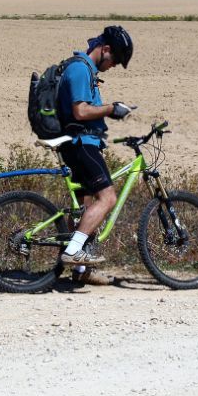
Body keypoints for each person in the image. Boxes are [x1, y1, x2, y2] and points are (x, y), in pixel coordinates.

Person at [55, 25, 135, 285]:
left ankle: (81, 272)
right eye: (115, 60)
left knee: (86, 209)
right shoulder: (80, 69)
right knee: (108, 198)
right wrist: (111, 109)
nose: (113, 66)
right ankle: (72, 251)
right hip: (82, 145)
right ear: (106, 49)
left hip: (83, 144)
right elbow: (80, 112)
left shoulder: (86, 70)